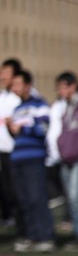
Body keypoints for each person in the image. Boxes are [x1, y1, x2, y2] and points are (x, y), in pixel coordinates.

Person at [47, 72, 78, 250]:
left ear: (73, 86)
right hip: (65, 158)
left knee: (76, 196)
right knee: (71, 198)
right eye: (59, 88)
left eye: (64, 87)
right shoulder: (64, 106)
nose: (61, 91)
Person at [8, 70, 55, 252]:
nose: (15, 88)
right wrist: (12, 129)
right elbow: (16, 135)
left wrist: (23, 128)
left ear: (28, 85)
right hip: (18, 157)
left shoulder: (39, 104)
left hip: (34, 158)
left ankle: (46, 236)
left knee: (37, 198)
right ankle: (32, 236)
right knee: (24, 200)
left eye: (18, 84)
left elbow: (44, 128)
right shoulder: (17, 108)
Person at [0, 58, 22, 228]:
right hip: (2, 150)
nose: (2, 76)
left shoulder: (19, 98)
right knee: (4, 187)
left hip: (14, 150)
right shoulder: (2, 96)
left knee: (14, 187)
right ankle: (7, 216)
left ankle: (19, 218)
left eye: (5, 72)